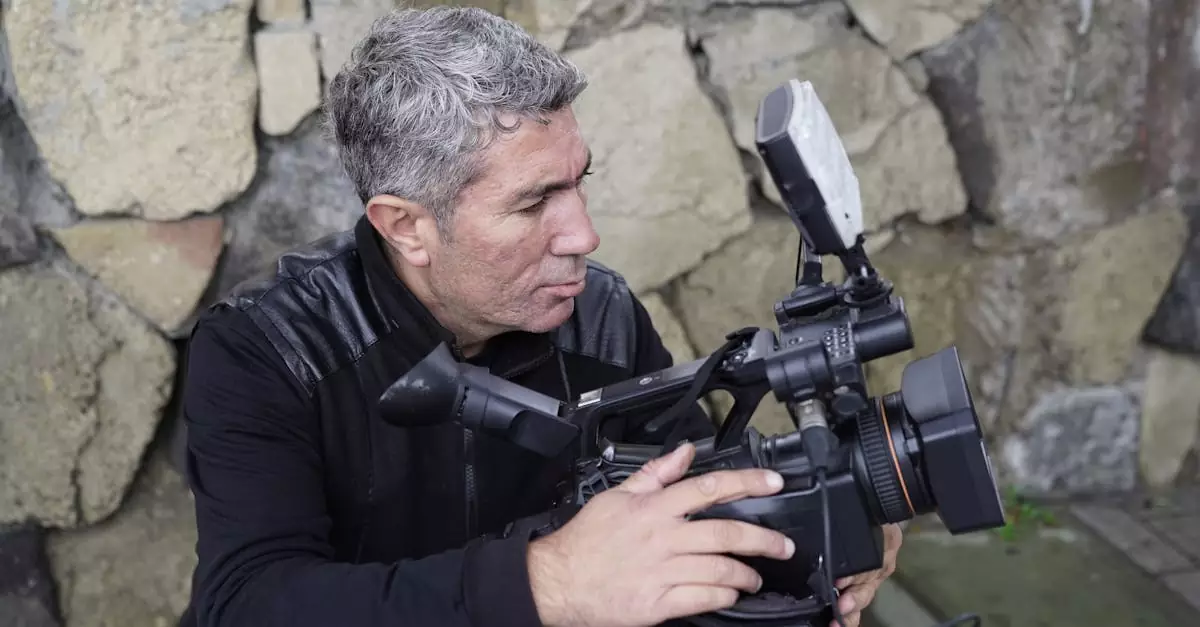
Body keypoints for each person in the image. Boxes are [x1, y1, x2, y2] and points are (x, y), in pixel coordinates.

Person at [178, 6, 902, 627]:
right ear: (405, 226)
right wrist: (545, 582)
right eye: (533, 203)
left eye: (579, 182)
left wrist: (817, 532)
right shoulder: (266, 350)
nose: (584, 235)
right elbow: (248, 604)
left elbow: (691, 522)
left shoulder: (604, 314)